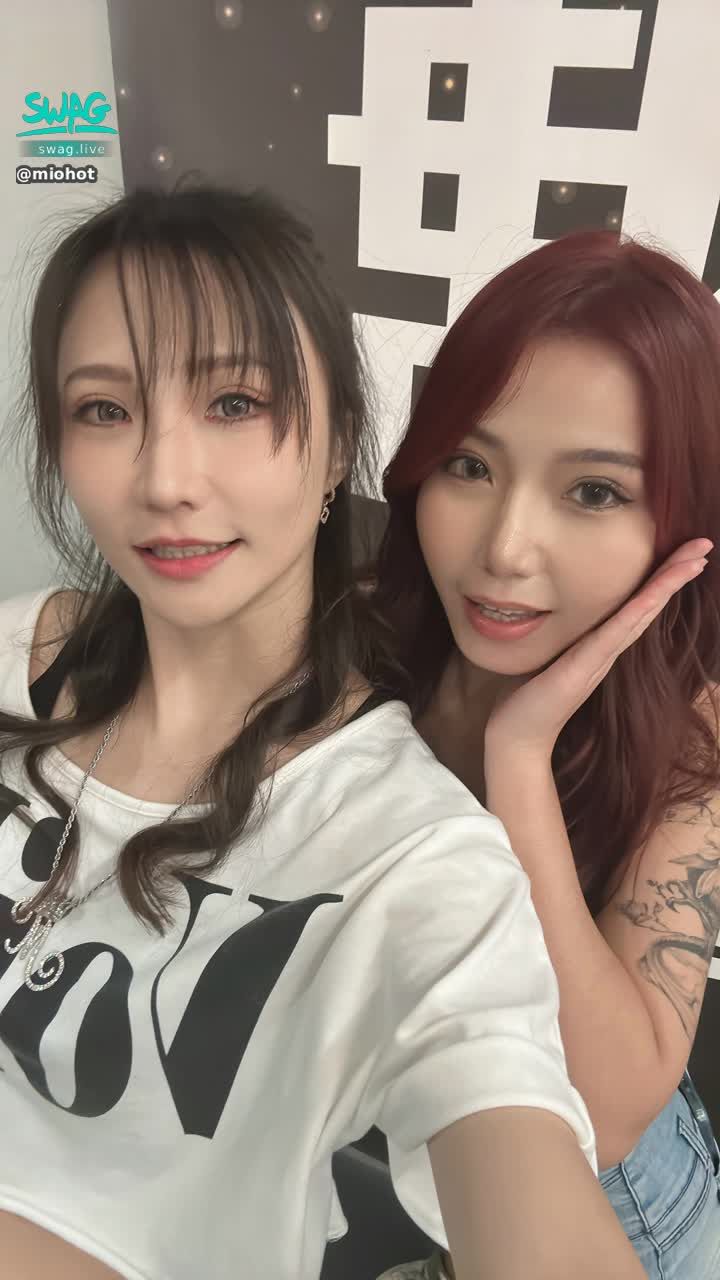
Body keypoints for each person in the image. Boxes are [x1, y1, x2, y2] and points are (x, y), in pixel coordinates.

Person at [0, 185, 649, 1280]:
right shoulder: (22, 647)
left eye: (235, 401)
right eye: (105, 410)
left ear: (342, 439)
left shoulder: (416, 856)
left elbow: (514, 1119)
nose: (165, 481)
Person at [374, 229, 720, 1280]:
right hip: (413, 1176)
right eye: (470, 466)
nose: (505, 549)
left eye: (595, 491)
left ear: (683, 517)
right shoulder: (363, 644)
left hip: (623, 1218)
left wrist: (518, 758)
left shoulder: (695, 729)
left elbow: (607, 1113)